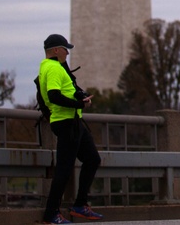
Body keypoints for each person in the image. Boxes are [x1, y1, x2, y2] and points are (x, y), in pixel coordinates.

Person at [38, 33, 103, 223]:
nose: (67, 53)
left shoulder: (54, 67)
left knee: (92, 159)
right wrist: (79, 105)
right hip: (66, 122)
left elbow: (66, 90)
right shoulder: (53, 68)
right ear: (56, 50)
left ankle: (80, 205)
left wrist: (80, 96)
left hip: (73, 122)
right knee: (64, 169)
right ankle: (51, 213)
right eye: (65, 49)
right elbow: (54, 96)